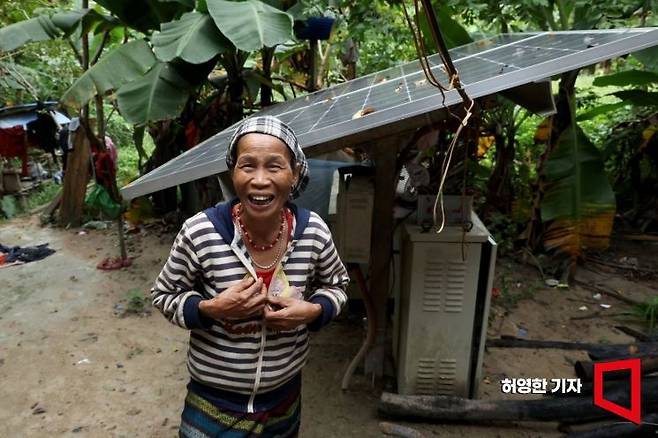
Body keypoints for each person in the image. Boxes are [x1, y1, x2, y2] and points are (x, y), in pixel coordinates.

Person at [151, 116, 349, 437]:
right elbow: (164, 294)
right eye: (247, 166)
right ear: (233, 172)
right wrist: (209, 309)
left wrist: (314, 311)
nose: (260, 180)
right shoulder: (200, 232)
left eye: (274, 166)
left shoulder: (313, 232)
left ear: (294, 173)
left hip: (284, 399)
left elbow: (337, 285)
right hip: (215, 402)